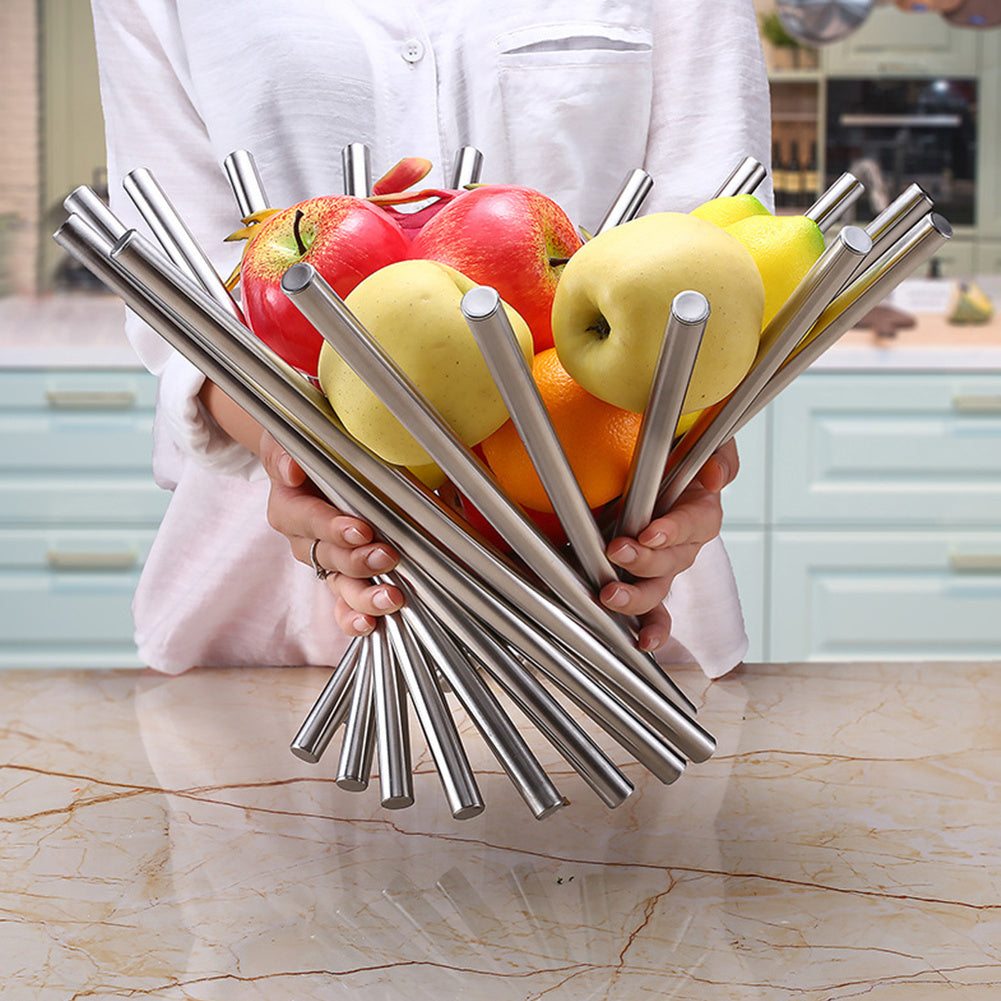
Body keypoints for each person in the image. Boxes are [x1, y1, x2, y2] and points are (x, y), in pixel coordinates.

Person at [89, 0, 770, 677]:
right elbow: (177, 301)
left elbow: (712, 283)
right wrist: (301, 457)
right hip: (260, 642)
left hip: (612, 620)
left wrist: (677, 476)